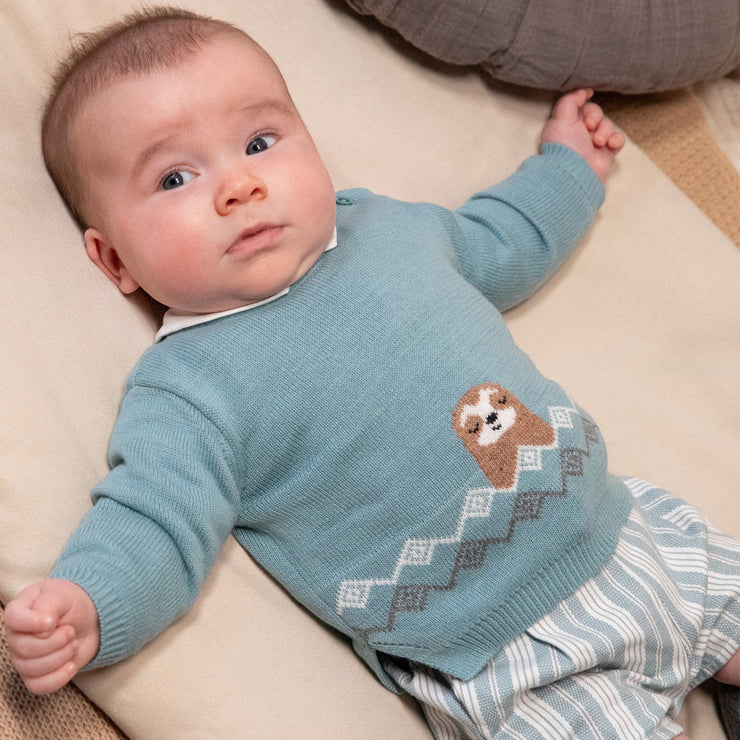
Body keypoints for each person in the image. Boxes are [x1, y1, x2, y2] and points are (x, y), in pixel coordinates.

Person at [5, 7, 739, 739]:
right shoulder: (188, 388)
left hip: (633, 534)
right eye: (174, 177)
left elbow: (501, 241)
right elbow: (156, 523)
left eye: (260, 142)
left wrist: (569, 168)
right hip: (508, 659)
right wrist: (89, 606)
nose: (239, 186)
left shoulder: (386, 229)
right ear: (113, 262)